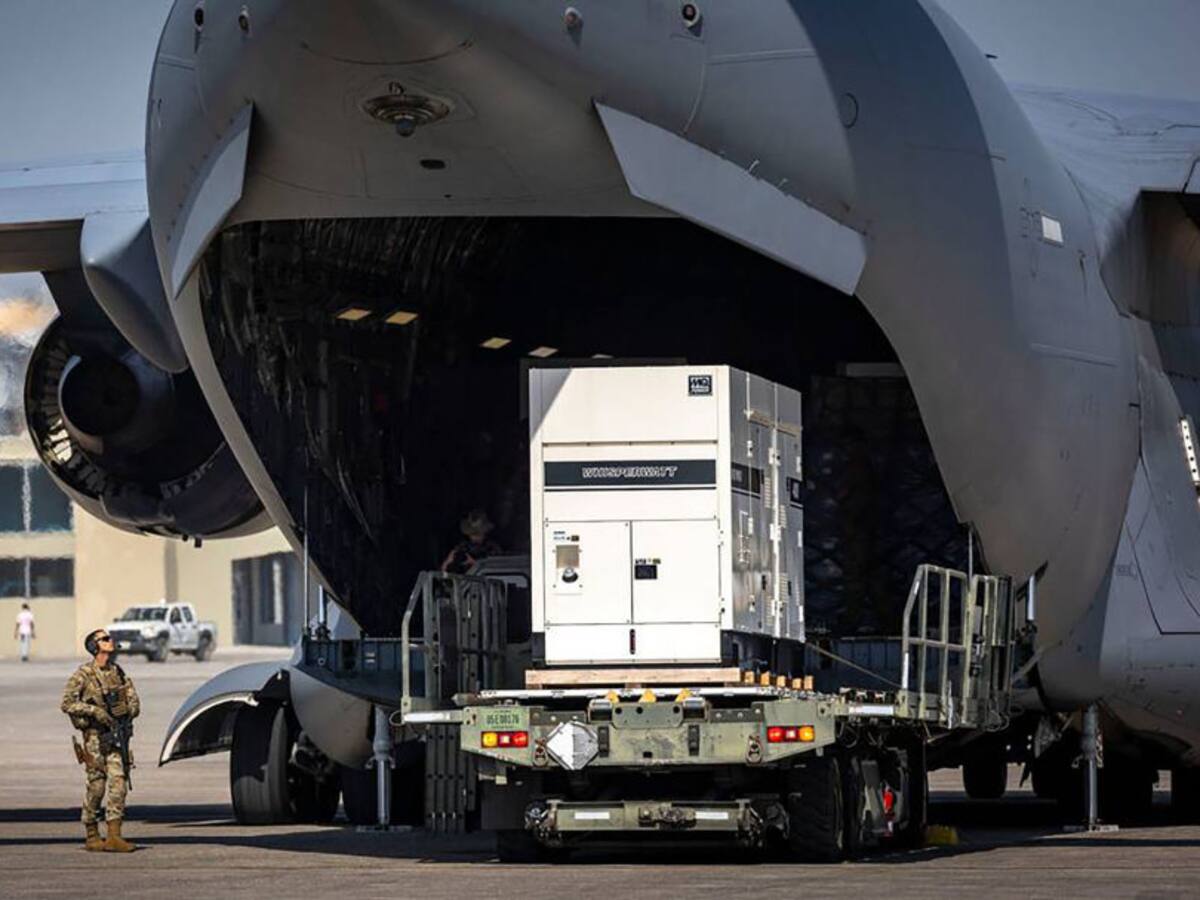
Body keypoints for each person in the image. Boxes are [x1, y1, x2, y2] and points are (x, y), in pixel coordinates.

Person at [61, 629, 141, 852]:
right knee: (97, 787)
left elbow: (133, 700)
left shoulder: (119, 672)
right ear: (95, 646)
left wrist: (129, 710)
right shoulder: (84, 674)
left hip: (116, 737)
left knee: (119, 782)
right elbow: (67, 703)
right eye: (105, 639)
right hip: (95, 739)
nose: (110, 641)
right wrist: (94, 712)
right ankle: (92, 833)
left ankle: (114, 834)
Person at [440, 509, 502, 574]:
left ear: (484, 533)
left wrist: (475, 564)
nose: (474, 537)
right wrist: (448, 561)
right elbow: (444, 574)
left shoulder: (492, 547)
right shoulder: (463, 546)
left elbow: (497, 571)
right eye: (472, 534)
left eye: (477, 534)